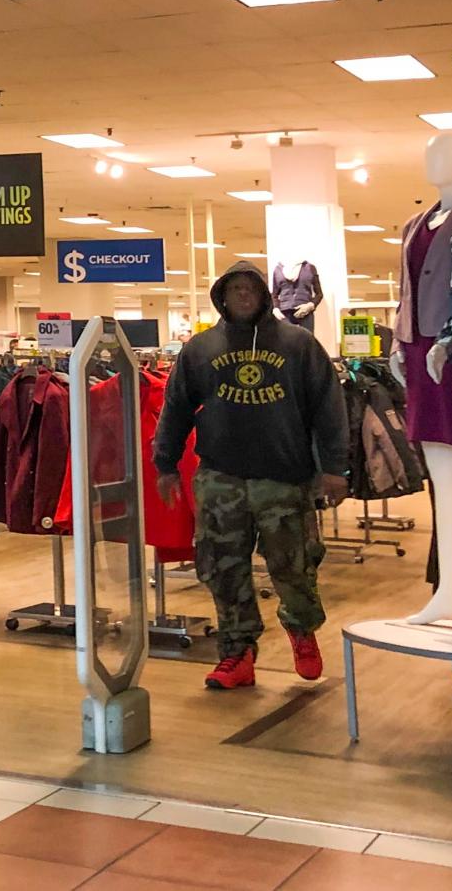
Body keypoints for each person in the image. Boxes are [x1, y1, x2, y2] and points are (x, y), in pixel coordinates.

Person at [154, 260, 349, 690]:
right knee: (222, 569)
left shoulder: (299, 345)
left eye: (250, 288)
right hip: (221, 478)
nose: (243, 295)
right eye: (234, 288)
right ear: (221, 296)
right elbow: (176, 407)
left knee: (293, 565)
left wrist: (335, 468)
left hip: (284, 477)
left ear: (264, 294)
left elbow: (329, 409)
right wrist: (164, 462)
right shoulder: (200, 349)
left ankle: (301, 630)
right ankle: (237, 653)